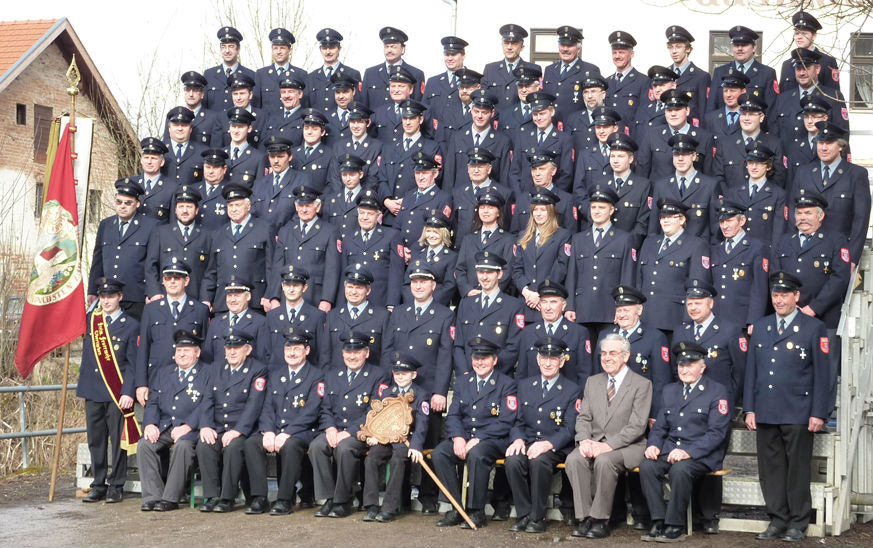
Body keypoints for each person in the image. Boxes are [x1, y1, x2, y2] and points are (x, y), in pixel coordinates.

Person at [743, 272, 831, 542]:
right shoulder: (762, 326)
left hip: (797, 410)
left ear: (797, 296)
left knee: (797, 469)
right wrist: (749, 408)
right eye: (775, 295)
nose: (779, 300)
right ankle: (777, 520)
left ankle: (797, 522)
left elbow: (823, 374)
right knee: (770, 471)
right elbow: (752, 372)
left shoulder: (813, 328)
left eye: (784, 295)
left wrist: (818, 412)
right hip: (766, 409)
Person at [671, 279, 746, 533]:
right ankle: (689, 512)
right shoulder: (682, 332)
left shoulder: (729, 330)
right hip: (688, 407)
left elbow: (740, 370)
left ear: (710, 303)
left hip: (717, 408)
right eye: (689, 303)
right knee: (688, 459)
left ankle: (710, 516)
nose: (693, 308)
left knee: (710, 458)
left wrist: (730, 403)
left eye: (698, 303)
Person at [639, 341, 732, 543]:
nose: (684, 370)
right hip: (672, 449)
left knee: (679, 470)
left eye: (690, 365)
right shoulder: (670, 390)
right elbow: (661, 427)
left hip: (702, 453)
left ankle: (675, 525)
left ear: (702, 367)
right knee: (647, 466)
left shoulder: (717, 391)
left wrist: (688, 451)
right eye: (681, 365)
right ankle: (658, 520)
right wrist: (653, 444)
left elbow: (717, 433)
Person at [565, 333, 653, 539]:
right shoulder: (592, 382)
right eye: (603, 353)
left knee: (604, 461)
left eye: (613, 353)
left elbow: (637, 426)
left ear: (626, 356)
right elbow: (584, 417)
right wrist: (584, 440)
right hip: (595, 442)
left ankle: (600, 519)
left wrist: (608, 445)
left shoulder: (642, 384)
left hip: (629, 446)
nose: (607, 357)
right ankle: (585, 517)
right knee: (574, 458)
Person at [431, 337, 518, 529]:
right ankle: (456, 508)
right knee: (439, 454)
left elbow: (506, 421)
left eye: (485, 358)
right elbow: (453, 415)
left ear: (495, 360)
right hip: (465, 436)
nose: (479, 362)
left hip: (493, 439)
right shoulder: (463, 382)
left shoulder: (506, 384)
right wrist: (458, 438)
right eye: (476, 358)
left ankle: (476, 510)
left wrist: (478, 439)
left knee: (477, 455)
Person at [243, 328, 324, 515]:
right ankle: (259, 498)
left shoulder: (316, 375)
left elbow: (312, 411)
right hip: (275, 430)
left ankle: (284, 499)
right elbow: (267, 407)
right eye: (288, 349)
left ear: (307, 351)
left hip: (302, 431)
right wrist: (268, 431)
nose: (292, 353)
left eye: (297, 348)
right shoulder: (276, 374)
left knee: (291, 445)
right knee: (251, 443)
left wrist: (288, 432)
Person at [310, 330, 391, 518]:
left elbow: (375, 410)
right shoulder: (331, 375)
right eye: (348, 352)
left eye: (357, 352)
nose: (352, 356)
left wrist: (351, 431)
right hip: (335, 428)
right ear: (342, 353)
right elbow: (324, 408)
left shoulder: (379, 375)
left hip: (362, 431)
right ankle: (329, 498)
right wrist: (330, 428)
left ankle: (342, 501)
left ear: (366, 353)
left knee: (345, 448)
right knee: (317, 446)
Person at [505, 337, 581, 533]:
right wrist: (518, 438)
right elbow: (516, 420)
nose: (548, 363)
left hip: (556, 446)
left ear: (562, 361)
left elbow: (570, 428)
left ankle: (537, 518)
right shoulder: (523, 386)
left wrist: (548, 444)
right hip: (528, 441)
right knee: (513, 460)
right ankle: (524, 515)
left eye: (553, 358)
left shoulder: (572, 389)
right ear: (538, 360)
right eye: (544, 358)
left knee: (539, 461)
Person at [77, 278, 139, 504]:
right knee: (96, 440)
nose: (106, 301)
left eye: (110, 296)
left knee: (117, 441)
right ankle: (99, 484)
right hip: (92, 389)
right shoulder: (90, 320)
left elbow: (132, 364)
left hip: (116, 393)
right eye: (102, 297)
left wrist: (128, 391)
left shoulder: (131, 325)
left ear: (119, 297)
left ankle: (116, 485)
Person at [196, 330, 268, 513]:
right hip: (219, 427)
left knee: (234, 447)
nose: (232, 352)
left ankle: (227, 497)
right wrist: (205, 425)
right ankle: (212, 496)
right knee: (204, 445)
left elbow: (254, 405)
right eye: (229, 348)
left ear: (248, 349)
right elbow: (207, 400)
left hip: (244, 429)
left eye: (237, 347)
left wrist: (238, 431)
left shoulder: (258, 370)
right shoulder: (215, 368)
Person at [138, 330, 210, 511]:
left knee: (183, 447)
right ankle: (153, 496)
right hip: (165, 425)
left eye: (187, 350)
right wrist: (150, 424)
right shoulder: (164, 373)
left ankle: (170, 498)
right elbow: (153, 402)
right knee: (144, 444)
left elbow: (208, 404)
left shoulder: (208, 372)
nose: (182, 354)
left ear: (198, 352)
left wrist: (188, 426)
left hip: (192, 428)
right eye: (179, 350)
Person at [361, 352, 431, 522]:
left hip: (406, 441)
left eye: (405, 373)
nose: (400, 377)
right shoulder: (387, 393)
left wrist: (416, 446)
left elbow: (422, 423)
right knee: (372, 458)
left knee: (397, 461)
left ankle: (389, 508)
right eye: (397, 373)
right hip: (385, 439)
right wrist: (374, 435)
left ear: (413, 374)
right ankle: (370, 506)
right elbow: (378, 418)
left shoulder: (421, 394)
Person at [790, 121, 870, 263]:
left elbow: (860, 220)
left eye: (829, 143)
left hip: (839, 254)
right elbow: (793, 210)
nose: (824, 148)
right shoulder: (803, 172)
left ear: (841, 146)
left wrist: (851, 259)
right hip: (806, 251)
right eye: (821, 143)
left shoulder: (856, 174)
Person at [565, 186, 636, 342]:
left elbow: (627, 276)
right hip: (583, 309)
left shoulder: (624, 239)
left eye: (601, 207)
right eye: (593, 207)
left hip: (609, 310)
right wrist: (570, 305)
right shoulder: (578, 239)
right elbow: (572, 275)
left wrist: (623, 308)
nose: (596, 211)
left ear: (611, 210)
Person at [135, 260, 210, 405]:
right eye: (168, 278)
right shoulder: (151, 310)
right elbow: (143, 347)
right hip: (157, 378)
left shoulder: (200, 310)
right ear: (163, 281)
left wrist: (205, 380)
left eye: (177, 278)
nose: (172, 282)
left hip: (190, 380)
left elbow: (205, 349)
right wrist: (141, 383)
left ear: (186, 280)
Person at [637, 199, 711, 335]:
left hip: (673, 318)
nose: (665, 221)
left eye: (670, 217)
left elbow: (697, 285)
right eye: (662, 217)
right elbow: (639, 280)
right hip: (645, 317)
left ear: (682, 220)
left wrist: (688, 318)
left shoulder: (696, 245)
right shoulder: (649, 243)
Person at [200, 183, 277, 314]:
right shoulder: (218, 234)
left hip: (255, 301)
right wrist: (206, 299)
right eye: (230, 205)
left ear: (248, 206)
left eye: (238, 205)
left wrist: (270, 295)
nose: (234, 209)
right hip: (223, 303)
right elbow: (211, 272)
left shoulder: (264, 229)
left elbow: (272, 267)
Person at [87, 179, 157, 320]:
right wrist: (92, 291)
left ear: (137, 203)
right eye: (119, 202)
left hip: (136, 298)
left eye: (128, 203)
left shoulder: (151, 226)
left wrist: (152, 292)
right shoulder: (106, 225)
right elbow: (98, 261)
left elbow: (153, 263)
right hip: (108, 296)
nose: (122, 206)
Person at [453, 251, 524, 378]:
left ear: (500, 274)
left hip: (498, 379)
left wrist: (489, 372)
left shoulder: (513, 306)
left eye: (489, 272)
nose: (484, 277)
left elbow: (513, 348)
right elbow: (458, 345)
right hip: (467, 379)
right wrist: (465, 373)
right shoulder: (466, 304)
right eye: (481, 272)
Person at [272, 185, 342, 310]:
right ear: (296, 206)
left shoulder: (330, 231)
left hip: (315, 298)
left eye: (308, 205)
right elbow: (278, 267)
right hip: (287, 299)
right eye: (300, 205)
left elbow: (332, 269)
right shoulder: (285, 231)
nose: (304, 210)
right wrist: (274, 297)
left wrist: (327, 299)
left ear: (318, 206)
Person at [377, 99, 442, 227]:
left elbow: (436, 180)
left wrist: (407, 201)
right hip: (390, 214)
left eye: (412, 118)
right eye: (405, 118)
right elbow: (381, 179)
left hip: (417, 213)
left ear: (420, 120)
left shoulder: (431, 148)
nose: (407, 122)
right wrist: (386, 201)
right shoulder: (389, 148)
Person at [511, 187, 571, 322]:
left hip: (548, 302)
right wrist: (527, 292)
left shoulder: (563, 235)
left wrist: (540, 293)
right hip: (526, 303)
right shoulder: (523, 236)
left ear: (551, 212)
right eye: (535, 210)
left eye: (543, 210)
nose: (538, 214)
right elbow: (516, 270)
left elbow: (560, 268)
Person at [517, 280, 592, 387]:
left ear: (563, 305)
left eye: (553, 302)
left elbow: (584, 374)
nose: (548, 308)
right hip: (533, 400)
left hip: (567, 399)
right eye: (543, 302)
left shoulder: (579, 333)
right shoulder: (527, 332)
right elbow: (521, 373)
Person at [647, 133, 719, 241]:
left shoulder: (710, 185)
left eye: (685, 154)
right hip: (668, 252)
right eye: (676, 155)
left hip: (697, 251)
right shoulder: (661, 185)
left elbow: (715, 228)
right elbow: (653, 229)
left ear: (694, 156)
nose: (680, 159)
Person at [771, 49, 848, 150]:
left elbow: (842, 135)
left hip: (819, 161)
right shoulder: (782, 98)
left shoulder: (833, 97)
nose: (802, 73)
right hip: (789, 163)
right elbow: (774, 134)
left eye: (806, 68)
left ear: (817, 69)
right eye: (798, 69)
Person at [710, 200, 770, 330]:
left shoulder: (756, 247)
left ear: (742, 221)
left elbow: (759, 288)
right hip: (716, 320)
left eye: (729, 221)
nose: (724, 226)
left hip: (741, 319)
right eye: (722, 222)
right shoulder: (715, 249)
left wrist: (754, 320)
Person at [340, 189, 405, 308]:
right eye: (362, 213)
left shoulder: (392, 236)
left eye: (369, 213)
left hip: (380, 303)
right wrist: (341, 306)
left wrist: (392, 304)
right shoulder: (348, 239)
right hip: (353, 304)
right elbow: (343, 277)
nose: (364, 217)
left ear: (379, 216)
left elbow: (396, 274)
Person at [145, 185, 212, 301]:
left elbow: (210, 271)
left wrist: (206, 299)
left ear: (196, 210)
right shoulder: (161, 233)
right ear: (175, 210)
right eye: (181, 206)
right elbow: (150, 266)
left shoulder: (207, 236)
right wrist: (154, 292)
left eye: (189, 207)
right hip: (164, 298)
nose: (185, 211)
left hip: (195, 300)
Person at [586, 133, 651, 248]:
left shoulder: (643, 185)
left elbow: (642, 223)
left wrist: (627, 245)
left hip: (628, 246)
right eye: (612, 156)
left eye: (620, 156)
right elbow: (594, 217)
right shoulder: (601, 183)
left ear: (631, 159)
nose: (615, 161)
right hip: (601, 247)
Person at [441, 89, 512, 193]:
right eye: (476, 111)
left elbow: (504, 179)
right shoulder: (457, 137)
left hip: (489, 202)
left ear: (492, 113)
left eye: (484, 112)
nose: (479, 116)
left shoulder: (502, 141)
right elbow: (449, 176)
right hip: (461, 201)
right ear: (471, 110)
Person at [712, 93, 786, 192]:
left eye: (751, 114)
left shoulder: (774, 144)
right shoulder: (725, 144)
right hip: (731, 203)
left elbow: (779, 179)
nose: (746, 118)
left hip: (764, 203)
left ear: (761, 118)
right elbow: (718, 177)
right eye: (743, 114)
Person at [637, 90, 713, 184]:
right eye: (669, 110)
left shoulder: (704, 137)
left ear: (687, 110)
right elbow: (642, 172)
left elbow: (709, 174)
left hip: (693, 196)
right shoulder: (652, 135)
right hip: (659, 196)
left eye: (677, 109)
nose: (673, 114)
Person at [723, 141, 789, 248]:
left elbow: (779, 232)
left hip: (764, 253)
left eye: (759, 163)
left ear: (768, 166)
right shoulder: (733, 193)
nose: (754, 167)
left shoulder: (778, 194)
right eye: (750, 162)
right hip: (739, 252)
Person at [323, 265, 391, 368]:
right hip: (335, 381)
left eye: (359, 288)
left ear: (368, 291)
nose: (353, 292)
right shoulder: (332, 315)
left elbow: (386, 355)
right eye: (350, 287)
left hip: (371, 381)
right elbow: (325, 354)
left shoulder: (383, 316)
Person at [508, 92, 574, 194]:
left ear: (551, 112)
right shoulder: (523, 137)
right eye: (535, 114)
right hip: (526, 198)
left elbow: (566, 174)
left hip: (552, 200)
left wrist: (552, 197)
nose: (538, 118)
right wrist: (520, 197)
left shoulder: (564, 139)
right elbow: (515, 172)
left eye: (542, 113)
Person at [265, 265, 330, 368]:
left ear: (304, 287)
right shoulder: (271, 316)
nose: (291, 289)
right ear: (282, 286)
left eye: (296, 285)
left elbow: (322, 354)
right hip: (275, 377)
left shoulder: (317, 316)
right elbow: (267, 352)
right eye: (287, 285)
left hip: (307, 378)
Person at [453, 191, 516, 295]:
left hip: (496, 297)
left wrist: (490, 292)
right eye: (482, 207)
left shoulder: (507, 239)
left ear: (498, 212)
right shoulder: (468, 239)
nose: (485, 211)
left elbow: (508, 270)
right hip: (470, 297)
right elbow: (460, 269)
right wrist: (467, 290)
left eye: (490, 208)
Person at [705, 26, 778, 114]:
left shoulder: (767, 73)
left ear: (754, 48)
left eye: (744, 45)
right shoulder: (720, 72)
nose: (739, 49)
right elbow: (711, 107)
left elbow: (771, 110)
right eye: (736, 45)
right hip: (724, 126)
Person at [450, 147, 513, 245]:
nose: (476, 170)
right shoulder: (458, 193)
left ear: (489, 169)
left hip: (493, 251)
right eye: (472, 166)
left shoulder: (504, 193)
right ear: (467, 169)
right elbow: (454, 225)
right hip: (462, 250)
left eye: (480, 166)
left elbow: (507, 226)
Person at [202, 276, 270, 366]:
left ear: (248, 296)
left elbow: (262, 359)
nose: (232, 300)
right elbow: (207, 358)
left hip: (247, 378)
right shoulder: (215, 323)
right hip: (217, 378)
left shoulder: (260, 322)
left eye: (237, 296)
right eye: (229, 295)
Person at [541, 25, 601, 123]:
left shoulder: (590, 70)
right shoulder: (549, 70)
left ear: (578, 48)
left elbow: (595, 105)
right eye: (562, 45)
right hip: (552, 128)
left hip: (576, 128)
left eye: (569, 45)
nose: (565, 49)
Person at [396, 211, 458, 306]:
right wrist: (412, 303)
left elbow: (449, 286)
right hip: (413, 305)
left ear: (444, 234)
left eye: (436, 232)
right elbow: (407, 283)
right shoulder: (417, 253)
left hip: (437, 306)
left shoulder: (451, 257)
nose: (431, 236)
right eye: (428, 231)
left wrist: (428, 304)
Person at [251, 134, 310, 231]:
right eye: (272, 156)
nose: (276, 161)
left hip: (288, 239)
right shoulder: (259, 183)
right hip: (260, 237)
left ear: (290, 157)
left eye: (280, 156)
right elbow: (252, 212)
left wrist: (284, 235)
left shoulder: (302, 180)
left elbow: (303, 213)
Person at [394, 152, 452, 248]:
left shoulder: (443, 198)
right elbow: (397, 227)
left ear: (435, 174)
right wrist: (401, 249)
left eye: (425, 173)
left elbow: (440, 233)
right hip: (402, 253)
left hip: (423, 256)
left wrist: (414, 252)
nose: (420, 178)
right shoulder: (409, 195)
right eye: (417, 173)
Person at [362, 27, 425, 109]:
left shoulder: (416, 74)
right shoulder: (370, 73)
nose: (389, 50)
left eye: (393, 47)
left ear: (402, 49)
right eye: (386, 47)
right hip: (375, 121)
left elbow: (418, 105)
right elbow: (363, 105)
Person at [325, 103, 383, 191]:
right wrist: (342, 198)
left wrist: (358, 198)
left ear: (368, 123)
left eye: (360, 121)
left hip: (364, 199)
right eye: (352, 121)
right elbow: (334, 178)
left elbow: (373, 180)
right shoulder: (338, 146)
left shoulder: (377, 147)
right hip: (341, 199)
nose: (355, 126)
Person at [779, 11, 841, 92]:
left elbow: (834, 96)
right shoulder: (787, 65)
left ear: (814, 36)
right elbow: (782, 98)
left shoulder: (827, 62)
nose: (799, 37)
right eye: (797, 33)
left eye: (804, 33)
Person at [482, 24, 539, 109]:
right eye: (506, 43)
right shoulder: (490, 69)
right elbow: (484, 98)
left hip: (521, 121)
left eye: (514, 43)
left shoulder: (533, 69)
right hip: (496, 121)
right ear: (502, 45)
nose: (509, 47)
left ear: (522, 47)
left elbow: (537, 99)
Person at [203, 26, 258, 113]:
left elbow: (254, 107)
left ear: (238, 49)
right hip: (214, 126)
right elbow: (204, 106)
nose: (227, 51)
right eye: (224, 47)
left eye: (231, 46)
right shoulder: (209, 75)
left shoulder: (251, 75)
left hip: (240, 125)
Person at [254, 27, 308, 115]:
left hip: (293, 125)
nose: (278, 52)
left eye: (282, 48)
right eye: (275, 48)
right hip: (267, 126)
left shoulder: (301, 74)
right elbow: (256, 107)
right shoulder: (261, 74)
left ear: (290, 50)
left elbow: (305, 105)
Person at [164, 71, 224, 148]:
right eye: (188, 90)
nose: (191, 94)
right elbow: (167, 147)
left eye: (195, 90)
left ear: (202, 94)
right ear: (184, 92)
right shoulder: (172, 116)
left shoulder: (214, 118)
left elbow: (215, 149)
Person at [307, 28, 361, 113]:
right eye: (324, 48)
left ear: (339, 49)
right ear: (320, 49)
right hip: (317, 125)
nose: (328, 52)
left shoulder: (352, 74)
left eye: (332, 47)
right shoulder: (310, 77)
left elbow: (358, 105)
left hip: (342, 125)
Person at [664, 25, 710, 119]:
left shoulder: (701, 76)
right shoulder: (664, 75)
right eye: (671, 47)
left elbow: (703, 111)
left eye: (678, 47)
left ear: (688, 49)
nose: (674, 51)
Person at [605, 31, 650, 125]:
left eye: (621, 52)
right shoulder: (606, 82)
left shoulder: (643, 81)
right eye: (614, 53)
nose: (617, 56)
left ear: (631, 54)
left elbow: (644, 117)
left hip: (630, 137)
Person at [322, 153, 368, 236]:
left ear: (360, 174)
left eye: (352, 175)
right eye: (344, 175)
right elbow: (325, 228)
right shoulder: (331, 198)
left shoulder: (368, 198)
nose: (348, 179)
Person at [290, 108, 336, 192]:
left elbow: (331, 184)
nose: (309, 132)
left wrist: (319, 201)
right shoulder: (292, 153)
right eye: (306, 128)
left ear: (322, 132)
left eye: (314, 129)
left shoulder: (330, 155)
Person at [423, 36, 469, 119]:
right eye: (447, 55)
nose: (450, 58)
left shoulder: (474, 80)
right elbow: (425, 111)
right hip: (438, 131)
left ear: (463, 56)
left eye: (454, 54)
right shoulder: (432, 82)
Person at [134, 137, 173, 223]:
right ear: (141, 160)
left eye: (154, 158)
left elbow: (172, 223)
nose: (149, 162)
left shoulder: (172, 188)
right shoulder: (132, 183)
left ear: (162, 162)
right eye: (146, 157)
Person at [163, 106, 206, 185]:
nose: (180, 129)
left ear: (190, 129)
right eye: (176, 125)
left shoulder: (202, 152)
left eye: (184, 125)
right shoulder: (160, 150)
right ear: (169, 128)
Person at [224, 108, 266, 186]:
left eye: (240, 127)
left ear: (249, 128)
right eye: (233, 126)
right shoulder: (221, 154)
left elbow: (259, 189)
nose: (236, 131)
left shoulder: (258, 158)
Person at [192, 149, 231, 232]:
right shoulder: (193, 190)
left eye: (215, 168)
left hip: (219, 242)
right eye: (208, 167)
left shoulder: (230, 192)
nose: (211, 171)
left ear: (224, 169)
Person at [263, 74, 307, 147]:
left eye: (290, 92)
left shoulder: (305, 118)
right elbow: (263, 145)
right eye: (283, 92)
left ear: (300, 94)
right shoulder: (272, 117)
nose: (286, 96)